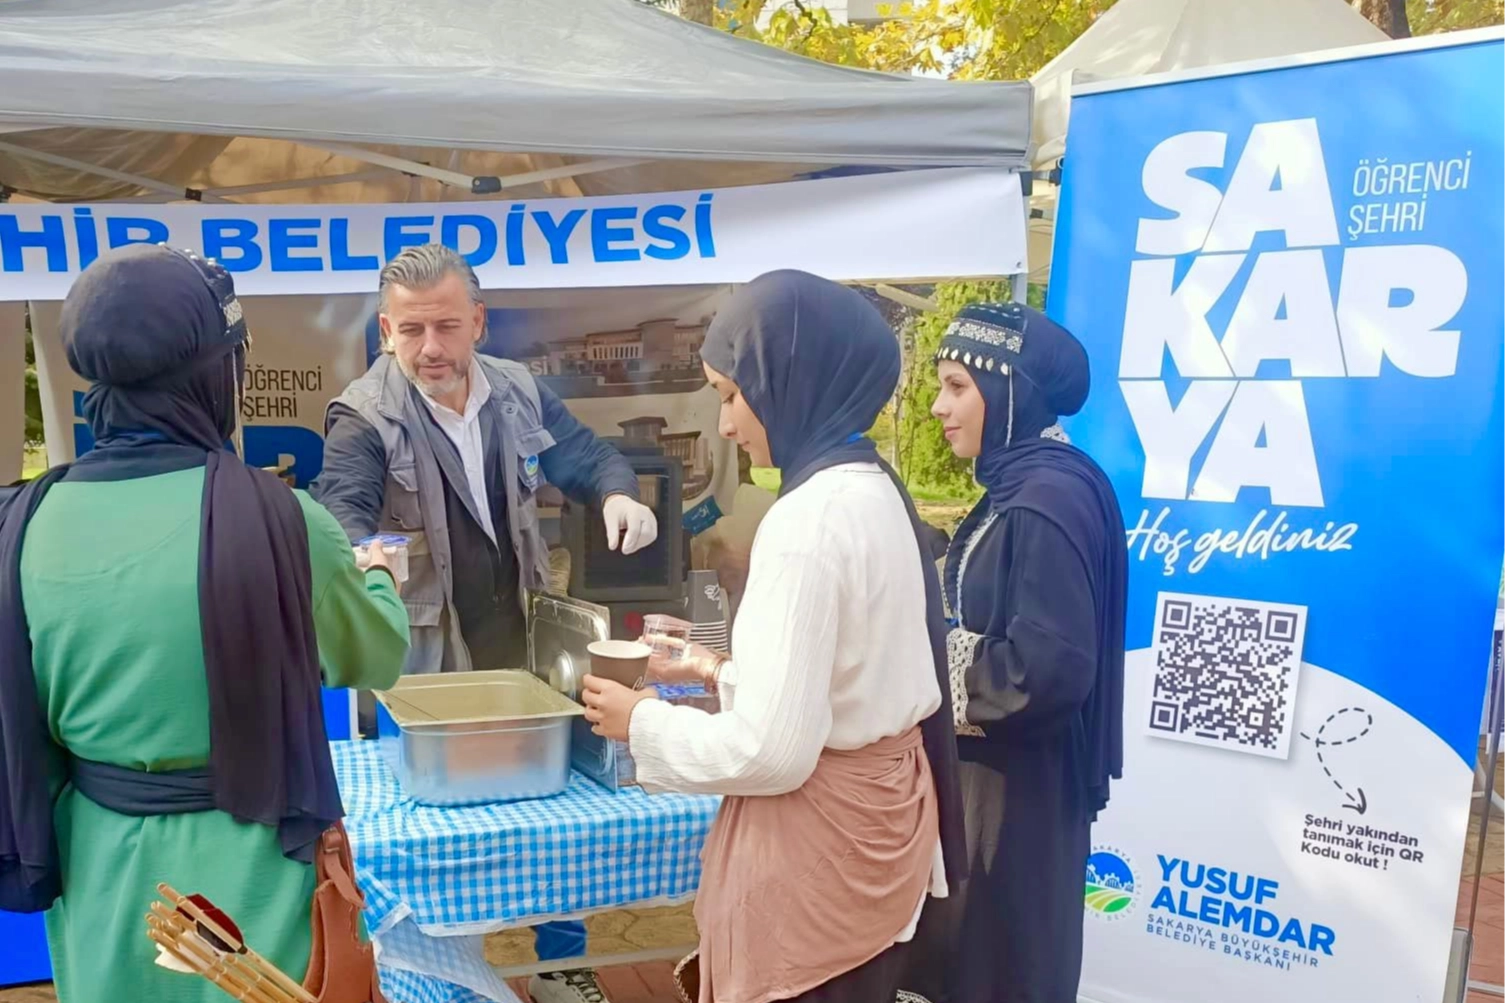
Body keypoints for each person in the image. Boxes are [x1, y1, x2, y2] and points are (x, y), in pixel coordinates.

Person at [0, 244, 411, 1003]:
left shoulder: (22, 522)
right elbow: (374, 656)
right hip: (252, 869)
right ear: (217, 374)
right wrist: (379, 574)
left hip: (96, 860)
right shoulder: (284, 520)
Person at [579, 270, 967, 1003]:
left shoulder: (806, 521)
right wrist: (716, 670)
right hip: (880, 829)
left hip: (823, 851)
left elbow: (771, 752)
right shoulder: (872, 487)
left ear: (791, 380)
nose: (726, 424)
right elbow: (849, 680)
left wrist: (642, 721)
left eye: (732, 394)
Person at [311, 243, 657, 1003]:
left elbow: (584, 454)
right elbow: (343, 510)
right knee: (446, 839)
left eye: (445, 326)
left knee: (557, 814)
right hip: (430, 668)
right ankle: (447, 980)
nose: (429, 348)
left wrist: (617, 493)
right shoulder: (364, 417)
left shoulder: (518, 391)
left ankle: (561, 965)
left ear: (478, 321)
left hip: (524, 644)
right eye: (410, 331)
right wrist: (364, 553)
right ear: (385, 331)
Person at [924, 301, 1127, 1003]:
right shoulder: (1024, 485)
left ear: (1008, 389)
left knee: (998, 966)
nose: (938, 406)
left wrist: (925, 656)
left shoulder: (1047, 500)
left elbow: (1043, 670)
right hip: (998, 778)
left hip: (1016, 792)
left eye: (957, 386)